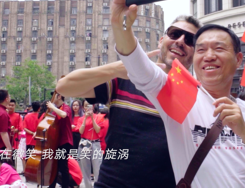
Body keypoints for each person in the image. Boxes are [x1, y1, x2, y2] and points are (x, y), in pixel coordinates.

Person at [111, 0, 245, 187]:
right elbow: (139, 69)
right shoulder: (178, 94)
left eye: (219, 48)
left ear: (238, 59)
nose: (209, 56)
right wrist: (121, 27)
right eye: (201, 49)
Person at [56, 13, 202, 188]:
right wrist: (117, 68)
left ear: (195, 53)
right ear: (161, 40)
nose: (180, 41)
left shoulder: (197, 99)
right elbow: (64, 86)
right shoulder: (125, 78)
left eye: (190, 40)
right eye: (174, 33)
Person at [46, 97, 73, 188]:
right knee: (54, 166)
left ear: (59, 97)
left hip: (64, 141)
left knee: (62, 166)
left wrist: (53, 107)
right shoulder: (55, 111)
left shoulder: (65, 107)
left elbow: (64, 115)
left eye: (54, 96)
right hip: (56, 141)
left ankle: (65, 186)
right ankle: (52, 186)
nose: (52, 98)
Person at [76, 101, 103, 188]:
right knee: (85, 168)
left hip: (95, 143)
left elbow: (98, 130)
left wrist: (92, 118)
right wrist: (85, 118)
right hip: (84, 143)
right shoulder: (81, 119)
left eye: (89, 105)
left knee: (97, 168)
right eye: (86, 106)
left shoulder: (98, 117)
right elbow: (81, 131)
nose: (88, 107)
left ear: (93, 106)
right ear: (83, 108)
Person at [22, 102, 40, 171]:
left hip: (29, 140)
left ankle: (28, 171)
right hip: (37, 140)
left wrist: (32, 133)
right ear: (39, 108)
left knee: (28, 157)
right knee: (37, 158)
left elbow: (25, 128)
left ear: (32, 107)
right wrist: (35, 133)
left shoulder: (27, 116)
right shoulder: (40, 117)